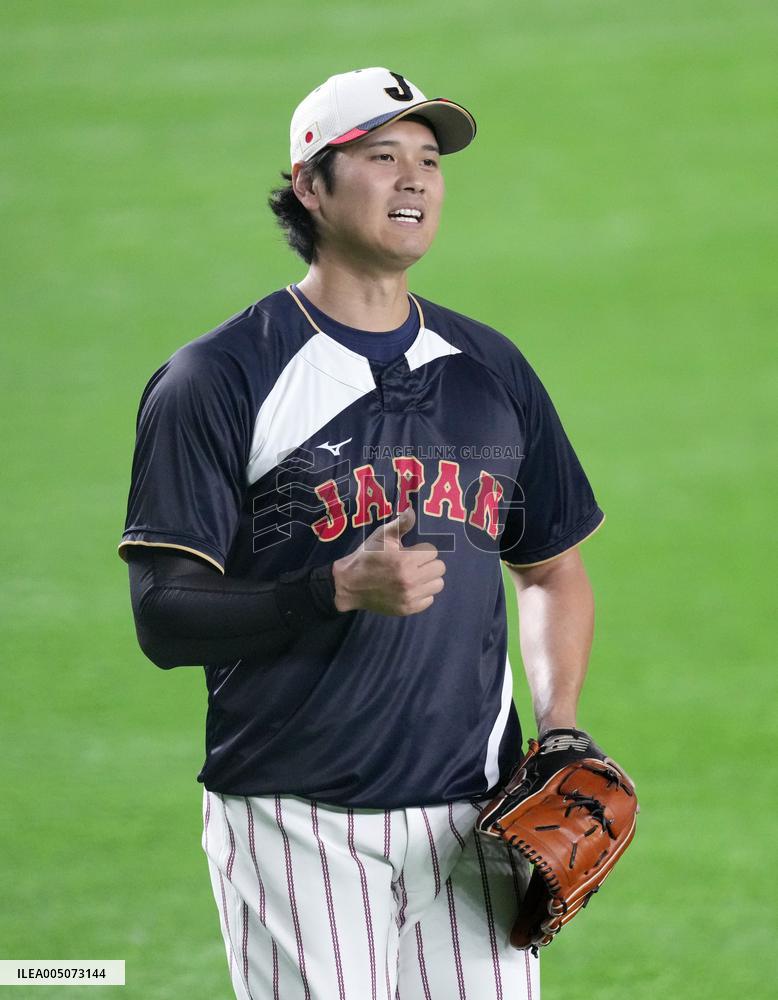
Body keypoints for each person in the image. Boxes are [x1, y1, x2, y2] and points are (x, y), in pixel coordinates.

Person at [119, 67, 605, 1000]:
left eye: (428, 159)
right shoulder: (219, 378)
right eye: (383, 157)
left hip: (480, 822)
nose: (415, 179)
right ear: (310, 184)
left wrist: (562, 730)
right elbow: (163, 617)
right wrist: (333, 588)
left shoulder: (490, 366)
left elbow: (550, 568)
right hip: (297, 823)